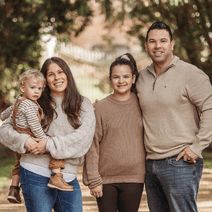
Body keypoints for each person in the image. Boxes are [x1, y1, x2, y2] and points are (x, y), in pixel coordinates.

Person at [0, 57, 95, 212]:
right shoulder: (32, 102)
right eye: (51, 74)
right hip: (34, 172)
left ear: (68, 74)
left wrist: (49, 144)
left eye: (60, 72)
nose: (57, 77)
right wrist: (24, 141)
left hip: (68, 177)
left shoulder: (83, 104)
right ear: (44, 80)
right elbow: (4, 130)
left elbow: (84, 138)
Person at [136, 21, 212, 212]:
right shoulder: (142, 77)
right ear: (146, 46)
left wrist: (197, 147)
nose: (157, 46)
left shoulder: (191, 74)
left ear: (172, 44)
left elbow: (210, 109)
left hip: (181, 162)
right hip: (150, 164)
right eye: (152, 41)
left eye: (163, 40)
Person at [0, 69, 74, 204]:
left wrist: (2, 116)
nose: (36, 91)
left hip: (19, 137)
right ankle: (56, 176)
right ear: (22, 87)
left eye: (40, 88)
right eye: (32, 87)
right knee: (56, 149)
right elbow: (34, 125)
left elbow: (9, 111)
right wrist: (45, 140)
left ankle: (14, 189)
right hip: (29, 135)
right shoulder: (29, 105)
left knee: (17, 163)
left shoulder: (19, 100)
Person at [83, 53, 145, 212]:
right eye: (116, 77)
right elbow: (92, 145)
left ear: (133, 78)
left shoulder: (143, 104)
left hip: (134, 177)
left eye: (126, 76)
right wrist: (94, 179)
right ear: (110, 79)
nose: (121, 81)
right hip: (105, 179)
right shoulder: (100, 108)